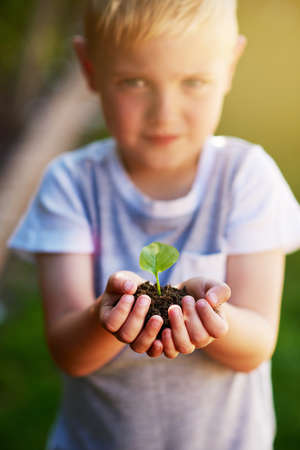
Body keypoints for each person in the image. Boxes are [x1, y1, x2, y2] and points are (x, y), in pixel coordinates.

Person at [8, 0, 300, 449]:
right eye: (135, 82)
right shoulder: (71, 184)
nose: (164, 112)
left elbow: (257, 344)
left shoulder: (246, 176)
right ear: (89, 67)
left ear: (230, 65)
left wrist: (213, 321)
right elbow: (69, 352)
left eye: (194, 82)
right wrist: (103, 317)